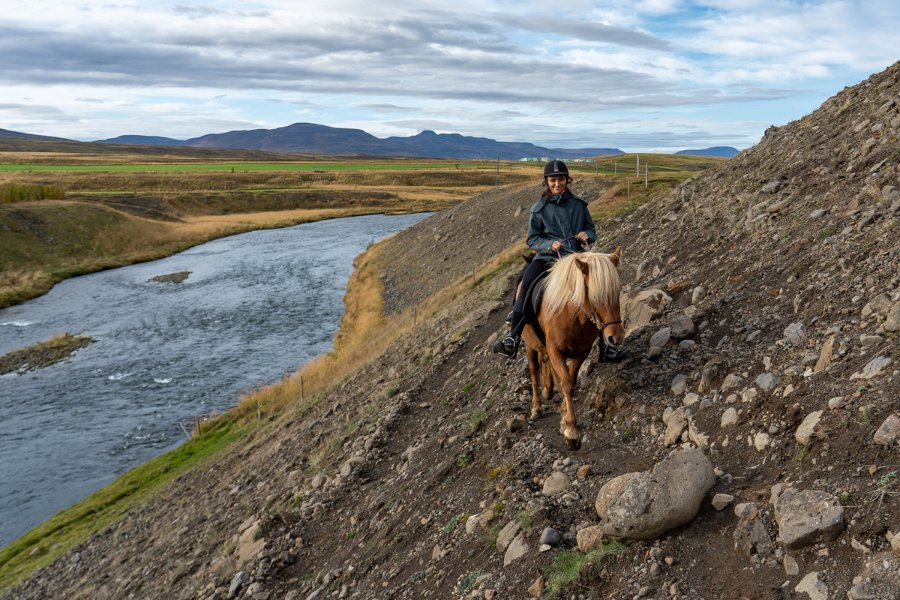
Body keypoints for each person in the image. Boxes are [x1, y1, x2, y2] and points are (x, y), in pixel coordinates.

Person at [492, 159, 628, 363]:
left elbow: (591, 229)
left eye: (561, 179)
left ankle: (606, 348)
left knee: (599, 292)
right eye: (553, 180)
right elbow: (532, 239)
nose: (557, 184)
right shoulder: (538, 209)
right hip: (547, 259)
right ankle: (513, 337)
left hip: (576, 259)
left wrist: (586, 236)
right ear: (547, 182)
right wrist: (549, 245)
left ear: (567, 180)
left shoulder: (579, 205)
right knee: (525, 283)